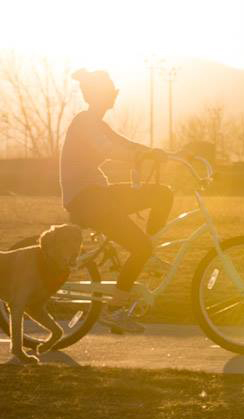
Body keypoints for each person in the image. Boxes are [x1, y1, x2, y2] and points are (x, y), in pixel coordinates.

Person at [60, 69, 173, 333]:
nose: (114, 97)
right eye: (111, 93)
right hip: (87, 200)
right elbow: (107, 149)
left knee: (162, 194)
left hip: (99, 195)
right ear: (100, 96)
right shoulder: (85, 121)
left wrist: (161, 154)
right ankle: (116, 309)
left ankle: (149, 250)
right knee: (141, 247)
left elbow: (124, 143)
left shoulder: (96, 123)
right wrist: (142, 156)